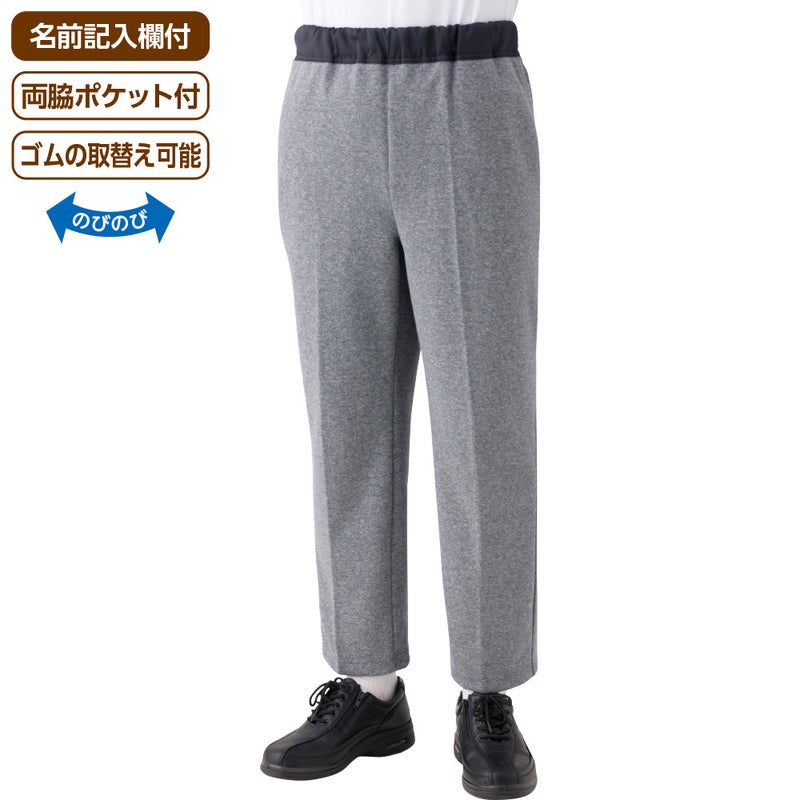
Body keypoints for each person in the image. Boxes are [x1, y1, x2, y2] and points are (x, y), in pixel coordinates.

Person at [261, 1, 540, 796]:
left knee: (485, 414)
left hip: (469, 83)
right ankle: (370, 689)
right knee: (343, 414)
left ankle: (487, 692)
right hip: (326, 90)